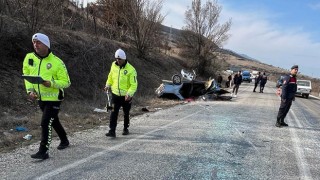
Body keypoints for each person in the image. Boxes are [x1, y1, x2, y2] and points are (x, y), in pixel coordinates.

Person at [22, 33, 71, 160]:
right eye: (34, 42)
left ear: (46, 44)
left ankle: (43, 151)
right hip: (40, 97)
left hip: (54, 97)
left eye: (38, 42)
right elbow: (26, 75)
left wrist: (51, 83)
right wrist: (30, 90)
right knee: (53, 120)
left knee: (45, 123)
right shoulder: (29, 58)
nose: (35, 45)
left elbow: (66, 82)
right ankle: (64, 140)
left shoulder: (57, 62)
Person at [104, 49, 138, 137]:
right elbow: (110, 76)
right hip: (115, 95)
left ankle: (125, 128)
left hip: (126, 96)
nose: (118, 61)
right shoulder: (113, 65)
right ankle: (112, 130)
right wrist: (108, 85)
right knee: (113, 112)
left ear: (124, 59)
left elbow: (134, 84)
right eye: (116, 59)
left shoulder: (131, 70)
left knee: (126, 113)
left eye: (120, 59)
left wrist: (129, 94)